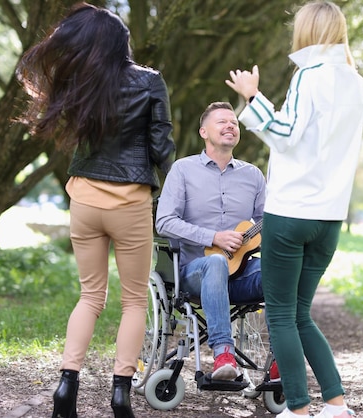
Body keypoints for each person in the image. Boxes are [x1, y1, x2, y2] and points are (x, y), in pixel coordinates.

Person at [225, 1, 363, 417]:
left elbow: (284, 134)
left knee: (282, 317)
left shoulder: (309, 76)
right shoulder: (353, 82)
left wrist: (253, 98)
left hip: (290, 215)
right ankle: (337, 404)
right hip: (328, 221)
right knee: (301, 315)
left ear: (305, 32)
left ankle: (299, 409)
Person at [15, 3, 175, 418]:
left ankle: (67, 385)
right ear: (122, 44)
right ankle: (120, 394)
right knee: (134, 301)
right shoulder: (150, 82)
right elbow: (160, 148)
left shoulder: (82, 85)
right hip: (130, 203)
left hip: (84, 200)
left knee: (89, 297)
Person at [155, 102, 277, 381]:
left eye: (234, 122)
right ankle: (224, 353)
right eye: (221, 121)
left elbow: (265, 226)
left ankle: (280, 362)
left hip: (241, 273)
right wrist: (212, 237)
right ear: (203, 132)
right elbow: (164, 222)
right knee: (215, 262)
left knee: (280, 271)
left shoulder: (253, 176)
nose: (230, 126)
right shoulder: (182, 170)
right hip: (194, 272)